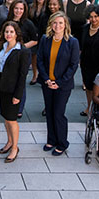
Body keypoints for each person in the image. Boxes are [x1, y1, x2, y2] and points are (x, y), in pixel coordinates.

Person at [37, 12, 80, 155]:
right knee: (49, 112)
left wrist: (59, 82)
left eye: (61, 23)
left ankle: (62, 142)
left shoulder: (72, 42)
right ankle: (51, 139)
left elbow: (73, 65)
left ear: (65, 25)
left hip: (63, 85)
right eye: (55, 23)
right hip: (47, 83)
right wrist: (46, 79)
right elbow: (40, 60)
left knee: (58, 113)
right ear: (51, 24)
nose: (58, 26)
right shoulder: (45, 39)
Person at [0, 21, 30, 164]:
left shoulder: (22, 51)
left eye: (11, 32)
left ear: (16, 33)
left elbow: (22, 76)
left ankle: (15, 147)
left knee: (12, 119)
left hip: (14, 90)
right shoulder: (2, 47)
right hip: (3, 88)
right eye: (6, 31)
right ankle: (9, 142)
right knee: (6, 117)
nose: (8, 34)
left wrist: (17, 95)